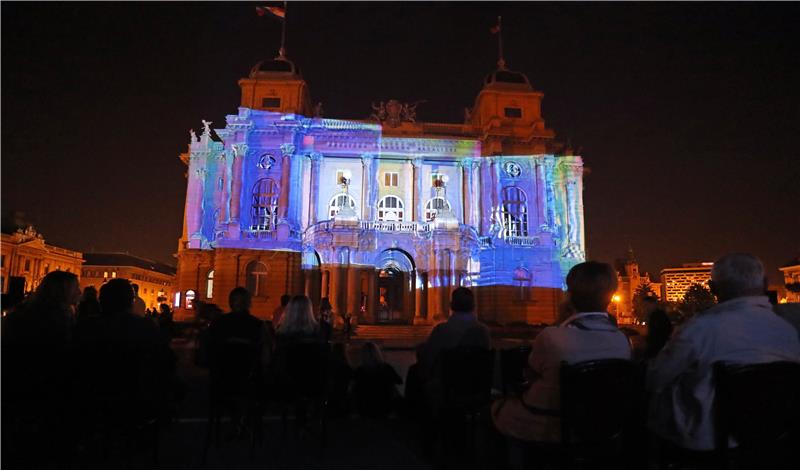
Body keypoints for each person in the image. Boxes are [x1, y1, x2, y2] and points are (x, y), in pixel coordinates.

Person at [647, 253, 800, 451]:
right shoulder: (787, 331)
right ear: (765, 283)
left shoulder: (698, 329)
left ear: (712, 288)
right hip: (776, 436)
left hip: (707, 440)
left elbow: (655, 379)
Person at [491, 261, 631, 444]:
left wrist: (560, 321)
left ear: (569, 296)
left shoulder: (551, 337)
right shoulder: (623, 341)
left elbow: (529, 374)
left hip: (548, 424)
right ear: (610, 296)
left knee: (495, 407)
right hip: (600, 429)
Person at [2, 271, 82, 467]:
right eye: (75, 288)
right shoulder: (62, 321)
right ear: (64, 292)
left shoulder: (19, 315)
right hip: (46, 392)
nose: (80, 292)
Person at [207, 287, 266, 438]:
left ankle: (233, 420)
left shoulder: (218, 324)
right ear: (249, 303)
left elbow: (207, 355)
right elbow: (264, 356)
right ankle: (243, 420)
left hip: (221, 381)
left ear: (230, 303)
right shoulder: (257, 325)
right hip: (249, 382)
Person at [353, 342, 403, 418]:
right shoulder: (386, 368)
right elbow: (399, 381)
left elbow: (355, 388)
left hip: (364, 406)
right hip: (384, 405)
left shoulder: (360, 370)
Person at [642, 296, 672, 360]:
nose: (645, 308)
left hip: (658, 352)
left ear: (653, 304)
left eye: (647, 305)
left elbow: (655, 337)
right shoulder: (659, 315)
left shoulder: (656, 317)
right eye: (644, 306)